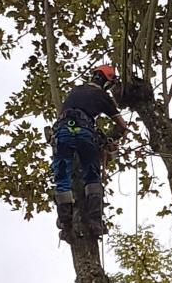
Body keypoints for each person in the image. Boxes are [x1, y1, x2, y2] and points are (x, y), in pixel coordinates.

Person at [50, 63, 129, 242]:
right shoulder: (103, 96)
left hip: (63, 131)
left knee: (62, 178)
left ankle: (66, 226)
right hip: (86, 134)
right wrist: (110, 141)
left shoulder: (75, 91)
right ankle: (95, 221)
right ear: (107, 82)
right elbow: (123, 127)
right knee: (92, 177)